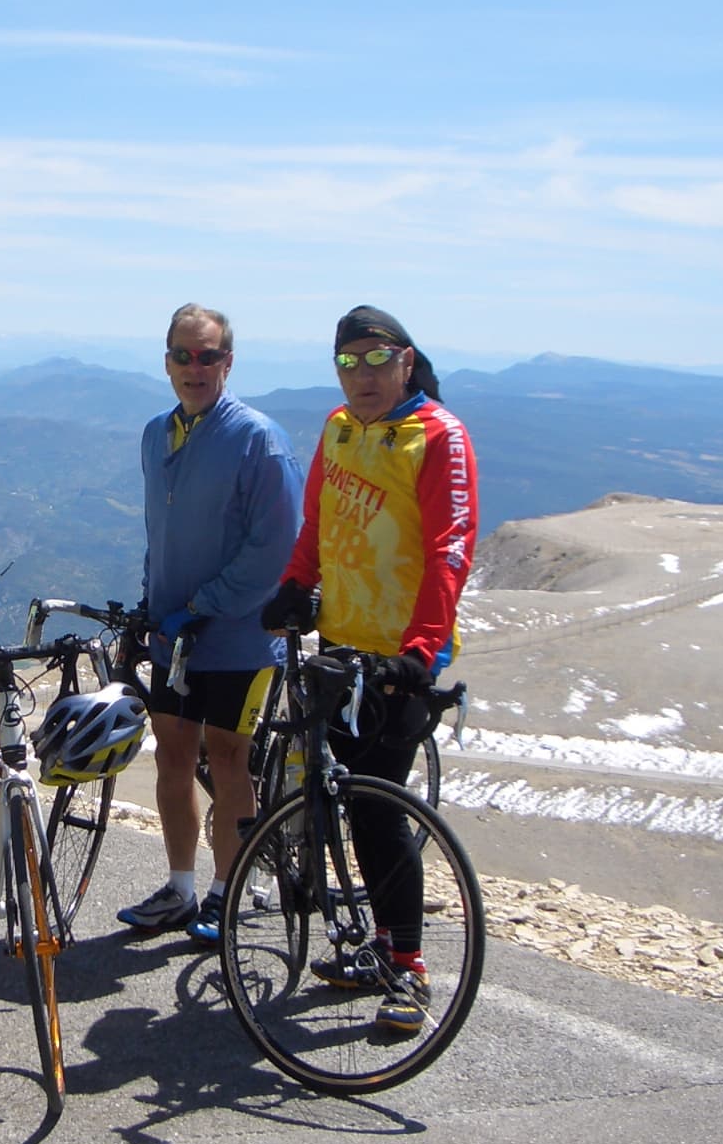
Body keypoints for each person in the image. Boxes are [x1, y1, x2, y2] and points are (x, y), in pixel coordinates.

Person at [258, 304, 479, 1030]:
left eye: (377, 358)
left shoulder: (437, 436)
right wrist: (296, 586)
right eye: (348, 361)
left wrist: (420, 651)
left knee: (381, 809)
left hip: (399, 659)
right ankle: (376, 948)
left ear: (406, 361)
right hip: (340, 644)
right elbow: (318, 521)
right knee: (348, 800)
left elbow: (451, 545)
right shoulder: (339, 429)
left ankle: (408, 967)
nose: (363, 374)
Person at [114, 304, 302, 942]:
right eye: (182, 355)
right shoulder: (154, 434)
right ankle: (180, 887)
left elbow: (274, 549)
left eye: (209, 356)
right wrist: (151, 605)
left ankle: (227, 891)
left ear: (228, 362)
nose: (195, 368)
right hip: (173, 636)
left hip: (239, 637)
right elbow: (156, 534)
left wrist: (201, 607)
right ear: (166, 359)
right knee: (172, 754)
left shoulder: (258, 439)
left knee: (228, 760)